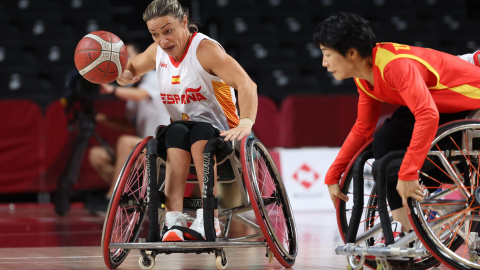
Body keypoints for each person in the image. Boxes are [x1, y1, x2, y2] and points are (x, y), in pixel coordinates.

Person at [314, 13, 480, 238]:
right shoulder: (364, 78)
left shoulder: (394, 66)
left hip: (469, 101)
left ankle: (420, 212)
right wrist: (333, 174)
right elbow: (363, 129)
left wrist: (409, 172)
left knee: (398, 151)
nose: (324, 63)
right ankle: (405, 224)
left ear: (351, 53)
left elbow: (428, 115)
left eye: (327, 55)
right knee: (385, 140)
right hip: (438, 104)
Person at [115, 0, 257, 241]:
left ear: (184, 22)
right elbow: (131, 69)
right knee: (174, 132)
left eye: (168, 31)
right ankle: (174, 219)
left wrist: (246, 122)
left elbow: (246, 84)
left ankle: (209, 218)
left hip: (222, 132)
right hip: (181, 131)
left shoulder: (205, 50)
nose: (162, 40)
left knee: (200, 131)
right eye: (155, 34)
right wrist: (123, 76)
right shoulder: (157, 50)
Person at [87, 41, 170, 214]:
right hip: (144, 147)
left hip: (164, 145)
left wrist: (112, 91)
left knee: (125, 142)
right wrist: (102, 118)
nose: (125, 60)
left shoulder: (154, 76)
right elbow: (127, 123)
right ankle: (132, 197)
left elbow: (141, 95)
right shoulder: (132, 85)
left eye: (129, 55)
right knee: (97, 155)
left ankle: (112, 199)